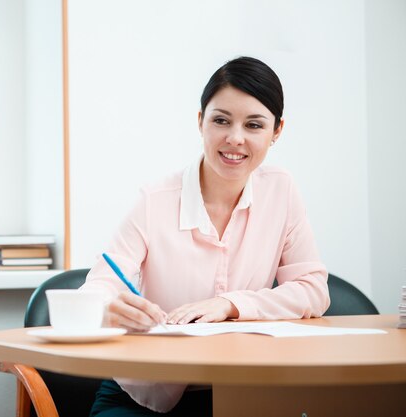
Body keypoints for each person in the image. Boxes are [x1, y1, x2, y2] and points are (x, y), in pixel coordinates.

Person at [80, 56, 330, 416]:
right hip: (144, 394)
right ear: (201, 122)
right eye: (221, 120)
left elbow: (312, 289)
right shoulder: (156, 200)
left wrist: (231, 304)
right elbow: (97, 287)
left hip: (242, 392)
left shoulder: (281, 190)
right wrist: (110, 308)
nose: (235, 138)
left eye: (254, 125)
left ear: (277, 131)